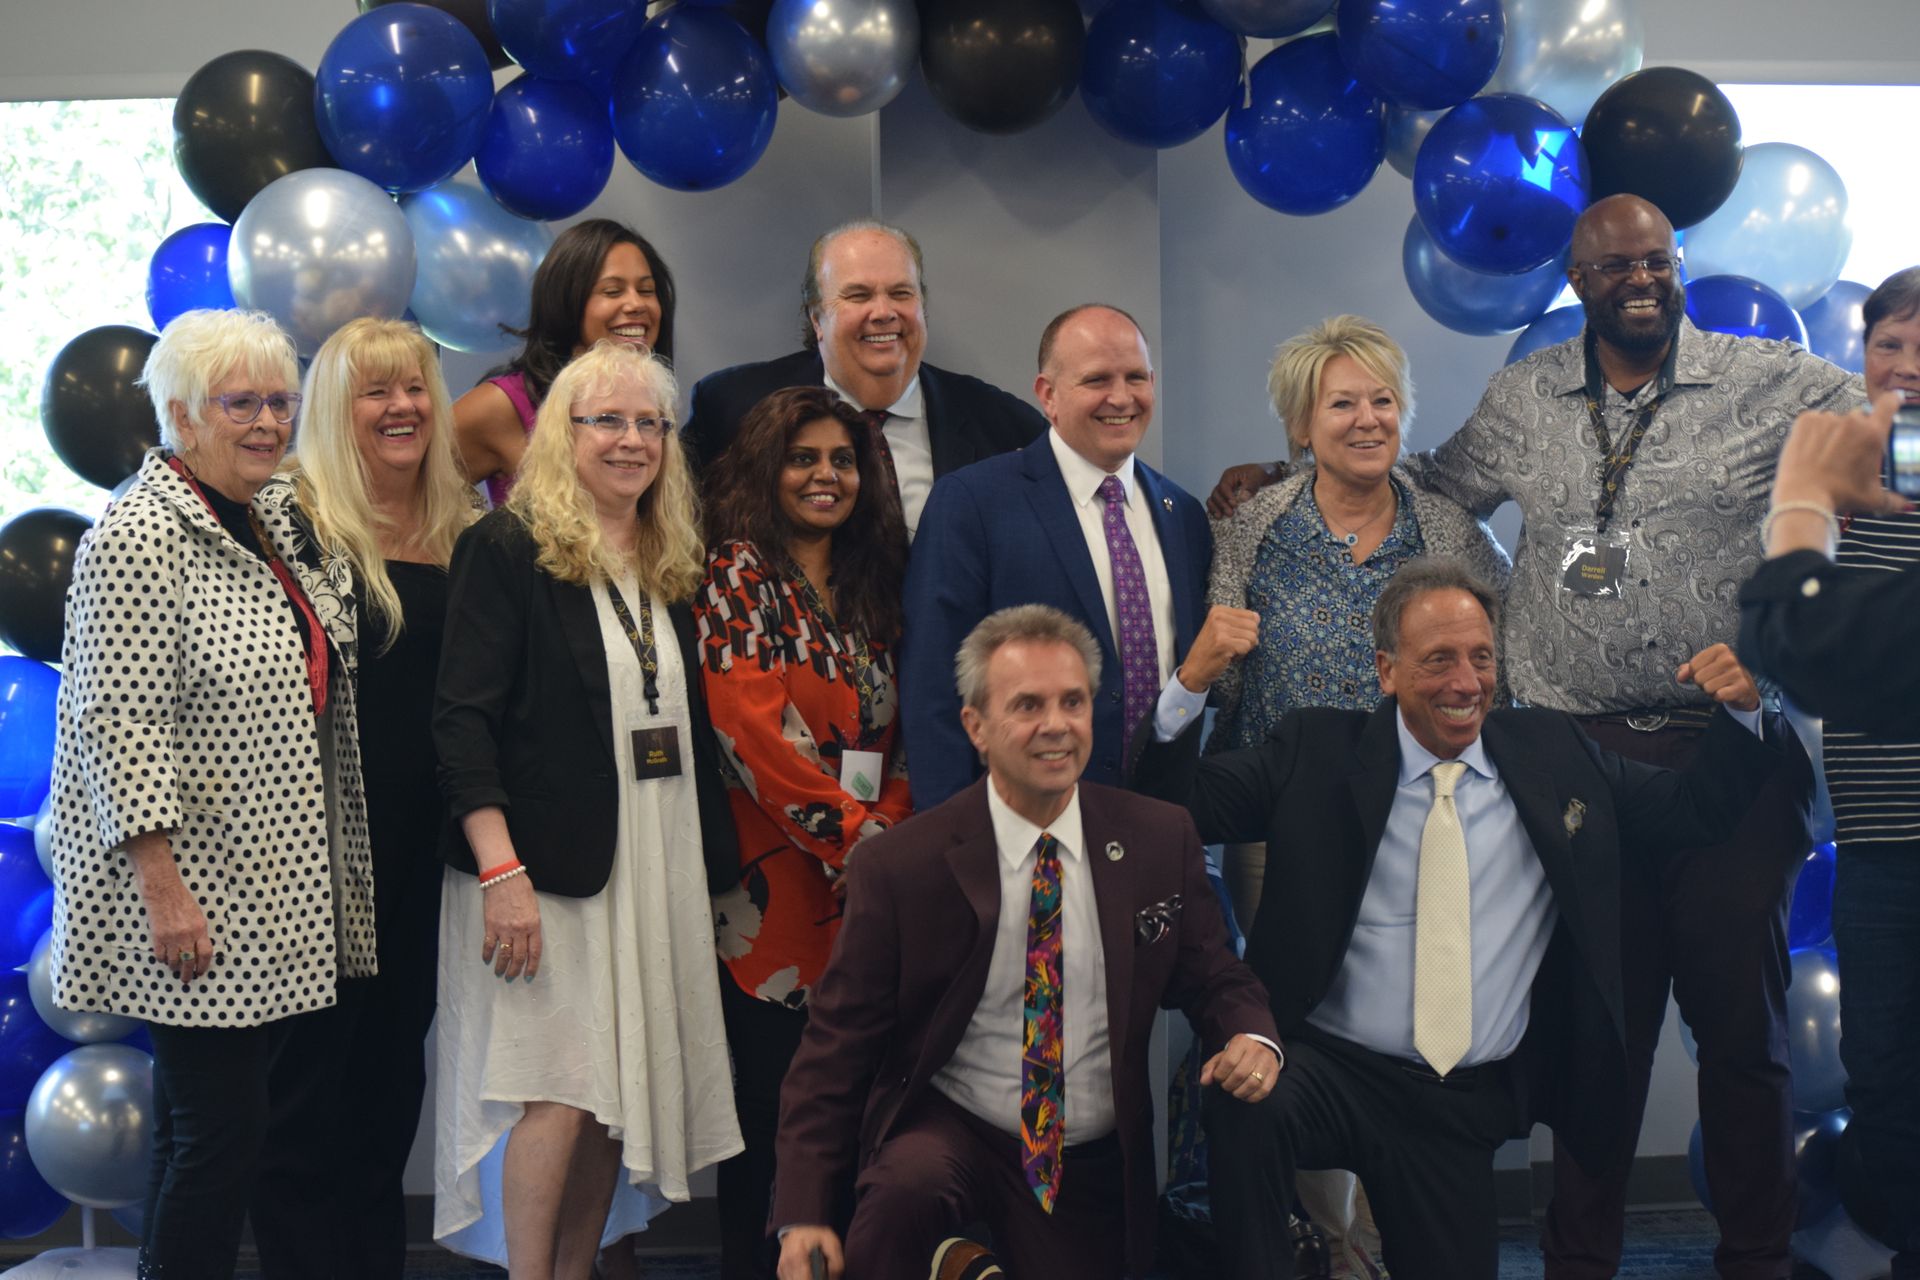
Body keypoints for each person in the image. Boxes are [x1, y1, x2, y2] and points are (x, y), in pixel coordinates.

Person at [1384, 194, 1853, 1280]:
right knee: (1598, 1035)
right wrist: (1283, 483)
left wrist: (1780, 646)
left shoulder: (1768, 378)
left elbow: (1882, 431)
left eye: (1655, 261)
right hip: (1572, 759)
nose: (1638, 280)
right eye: (1611, 268)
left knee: (1743, 1037)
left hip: (1725, 755)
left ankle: (1756, 1256)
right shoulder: (1525, 395)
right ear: (1575, 280)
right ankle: (1577, 1261)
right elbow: (1436, 497)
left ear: (1678, 262)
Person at [1137, 557, 1800, 1280]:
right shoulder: (1316, 751)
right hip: (1331, 1071)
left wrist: (1743, 713)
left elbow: (1695, 814)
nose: (1465, 682)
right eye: (1439, 660)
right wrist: (1190, 685)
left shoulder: (1554, 753)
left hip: (1459, 1102)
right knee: (1245, 1102)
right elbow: (1170, 810)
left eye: (1481, 658)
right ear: (1387, 671)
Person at [772, 604, 1281, 1280]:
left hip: (1091, 1159)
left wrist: (1250, 1034)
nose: (1055, 725)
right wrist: (804, 1212)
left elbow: (1216, 977)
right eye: (1027, 705)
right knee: (904, 1192)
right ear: (975, 728)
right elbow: (836, 1049)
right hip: (955, 1135)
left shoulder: (1160, 838)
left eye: (1073, 702)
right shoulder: (904, 866)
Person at [45, 308, 374, 1278]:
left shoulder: (268, 515)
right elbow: (117, 722)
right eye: (243, 403)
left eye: (280, 400)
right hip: (190, 892)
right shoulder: (138, 534)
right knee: (221, 1140)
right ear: (182, 416)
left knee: (200, 1133)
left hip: (262, 882)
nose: (269, 421)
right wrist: (164, 889)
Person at [432, 340, 743, 1276]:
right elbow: (460, 723)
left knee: (619, 1091)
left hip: (650, 857)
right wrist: (501, 870)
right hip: (543, 873)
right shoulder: (508, 547)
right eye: (606, 420)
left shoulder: (668, 556)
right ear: (560, 432)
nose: (631, 440)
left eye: (650, 423)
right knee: (559, 1092)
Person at [253, 316, 480, 1278]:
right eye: (374, 391)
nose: (401, 408)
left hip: (427, 860)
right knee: (309, 1094)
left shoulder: (468, 528)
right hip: (315, 857)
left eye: (415, 387)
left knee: (392, 1085)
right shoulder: (286, 521)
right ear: (332, 409)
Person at [695, 385, 913, 1279]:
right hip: (774, 897)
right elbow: (752, 732)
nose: (825, 476)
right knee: (776, 1125)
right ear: (764, 468)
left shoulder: (874, 581)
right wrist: (860, 841)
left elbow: (903, 733)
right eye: (803, 458)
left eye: (842, 460)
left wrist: (888, 835)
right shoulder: (738, 573)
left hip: (873, 887)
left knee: (858, 1118)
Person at [1739, 269, 1920, 1278]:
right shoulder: (1838, 490)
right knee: (1882, 1067)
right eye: (1888, 345)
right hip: (1880, 841)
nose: (1905, 369)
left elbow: (1808, 630)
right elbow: (1780, 630)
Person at [901, 304, 1212, 807]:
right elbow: (933, 688)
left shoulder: (1183, 515)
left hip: (1156, 824)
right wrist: (951, 839)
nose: (1121, 397)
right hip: (1020, 825)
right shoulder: (975, 503)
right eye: (1096, 380)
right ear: (1047, 395)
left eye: (1136, 377)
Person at [683, 220, 1044, 536]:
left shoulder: (1002, 425)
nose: (884, 312)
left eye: (901, 293)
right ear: (816, 318)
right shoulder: (733, 408)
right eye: (859, 296)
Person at [454, 218, 678, 505]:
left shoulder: (655, 404)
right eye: (612, 291)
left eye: (646, 291)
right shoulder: (505, 405)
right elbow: (402, 495)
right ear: (565, 301)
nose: (636, 304)